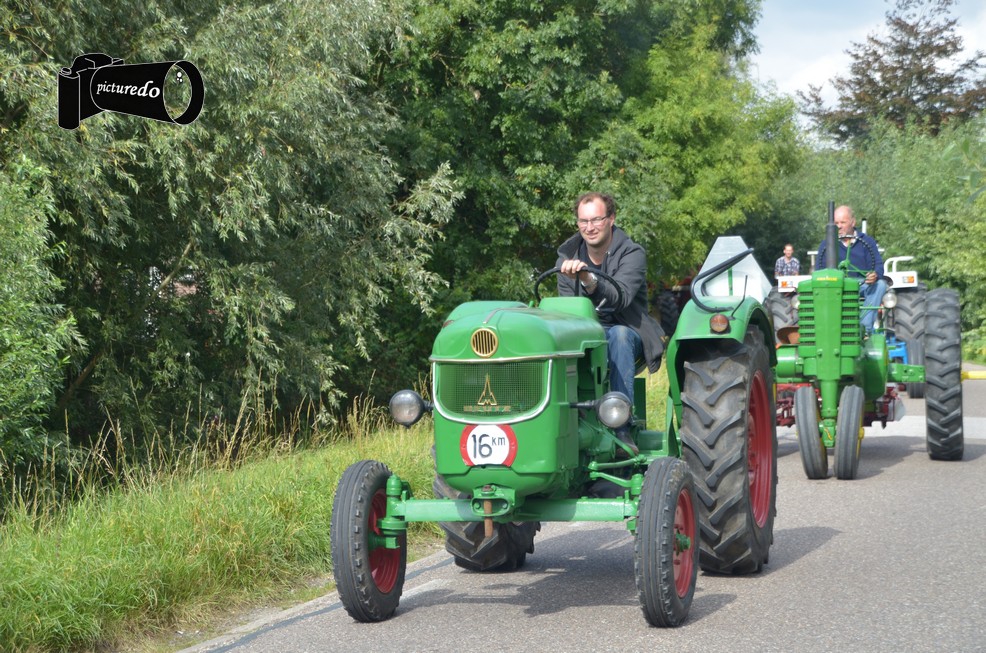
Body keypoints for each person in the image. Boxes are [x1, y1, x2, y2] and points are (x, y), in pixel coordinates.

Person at [556, 192, 664, 455]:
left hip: (630, 331)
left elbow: (620, 298)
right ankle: (563, 423)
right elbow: (568, 311)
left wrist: (588, 279)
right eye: (583, 221)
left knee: (619, 336)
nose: (590, 227)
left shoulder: (632, 253)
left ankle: (621, 428)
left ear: (611, 219)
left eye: (596, 220)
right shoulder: (566, 258)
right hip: (586, 332)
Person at [815, 205, 887, 335]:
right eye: (836, 223)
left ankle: (864, 329)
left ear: (853, 222)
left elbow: (878, 265)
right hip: (835, 286)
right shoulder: (826, 245)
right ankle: (825, 330)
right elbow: (819, 271)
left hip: (861, 284)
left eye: (843, 222)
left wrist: (874, 274)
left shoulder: (867, 241)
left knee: (880, 284)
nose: (839, 226)